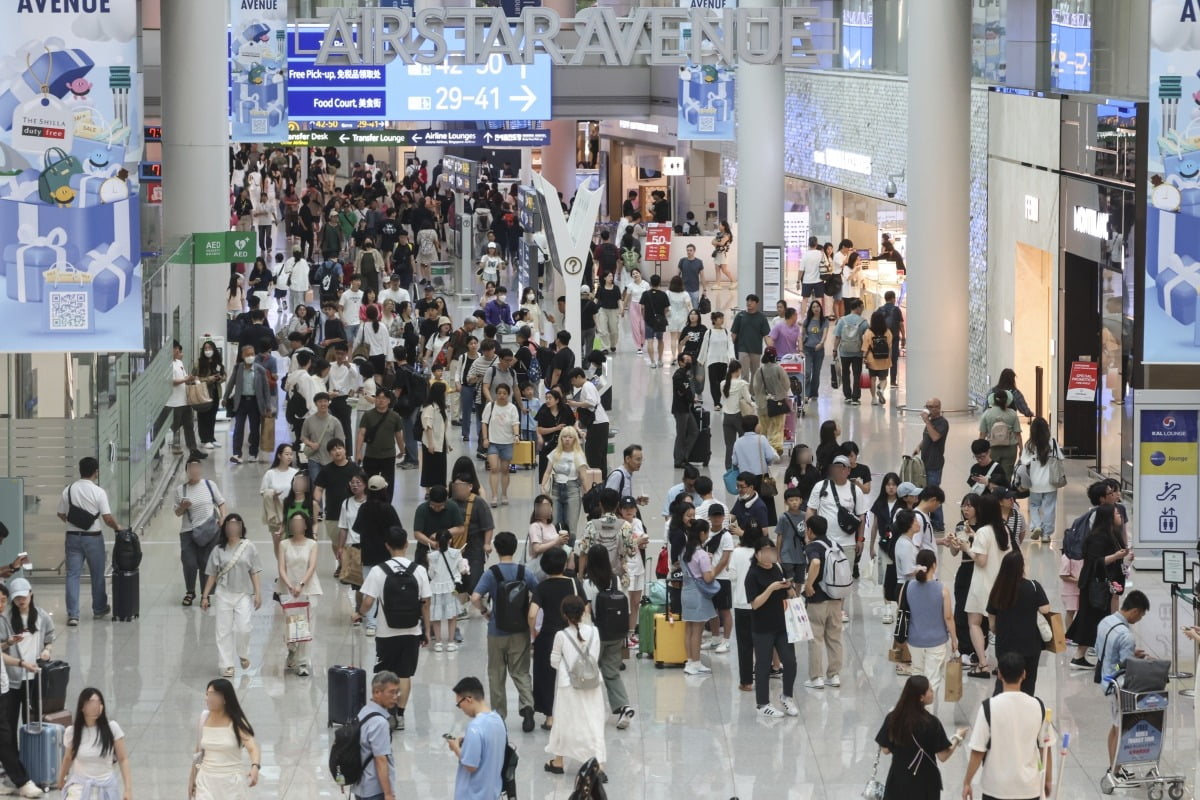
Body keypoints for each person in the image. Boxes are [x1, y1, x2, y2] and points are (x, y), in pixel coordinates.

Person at [354, 526, 433, 733]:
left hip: (386, 632)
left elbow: (368, 601)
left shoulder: (378, 571)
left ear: (387, 546)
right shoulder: (419, 570)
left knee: (385, 673)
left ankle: (384, 713)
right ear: (407, 545)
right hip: (412, 631)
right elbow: (426, 602)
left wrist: (360, 614)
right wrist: (427, 630)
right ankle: (400, 715)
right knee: (405, 675)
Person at [470, 531, 539, 731]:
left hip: (496, 631)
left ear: (497, 549)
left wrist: (485, 611)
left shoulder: (492, 573)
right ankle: (527, 708)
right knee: (521, 671)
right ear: (515, 548)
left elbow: (475, 597)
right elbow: (538, 592)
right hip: (520, 630)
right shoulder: (524, 572)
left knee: (496, 673)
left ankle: (499, 715)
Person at [962, 652, 1052, 800]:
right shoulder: (1038, 706)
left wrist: (967, 782)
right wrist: (1048, 779)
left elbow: (978, 751)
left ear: (999, 674)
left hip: (996, 788)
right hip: (1029, 788)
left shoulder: (989, 707)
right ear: (1024, 674)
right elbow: (1045, 748)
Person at [875, 676, 966, 800]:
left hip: (898, 780)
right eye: (930, 690)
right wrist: (958, 737)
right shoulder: (932, 723)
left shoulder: (893, 718)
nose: (933, 692)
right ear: (921, 697)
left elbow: (885, 749)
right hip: (925, 783)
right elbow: (943, 756)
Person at [544, 595, 606, 776]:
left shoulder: (561, 636)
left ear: (564, 614)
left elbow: (554, 661)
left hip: (568, 685)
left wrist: (568, 668)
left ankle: (559, 761)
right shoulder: (595, 632)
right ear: (584, 611)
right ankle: (599, 764)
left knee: (564, 722)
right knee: (594, 721)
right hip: (592, 683)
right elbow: (594, 657)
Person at [1065, 504, 1130, 670]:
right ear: (1108, 516)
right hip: (1095, 585)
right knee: (1091, 619)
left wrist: (1125, 558)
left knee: (1092, 619)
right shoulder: (1097, 537)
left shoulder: (1112, 534)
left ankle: (1082, 656)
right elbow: (1094, 562)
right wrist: (1116, 556)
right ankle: (1084, 657)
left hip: (1103, 585)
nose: (1120, 516)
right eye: (1116, 513)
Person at [57, 456, 120, 626]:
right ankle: (99, 608)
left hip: (72, 537)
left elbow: (61, 514)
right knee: (97, 574)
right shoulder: (98, 492)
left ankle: (73, 615)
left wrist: (74, 523)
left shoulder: (68, 490)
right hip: (93, 538)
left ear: (80, 470)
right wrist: (117, 528)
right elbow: (106, 517)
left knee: (72, 575)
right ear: (96, 472)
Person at [527, 547, 586, 730]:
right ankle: (571, 714)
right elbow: (586, 608)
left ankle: (550, 716)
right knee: (571, 674)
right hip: (571, 634)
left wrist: (534, 633)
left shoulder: (541, 587)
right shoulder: (574, 583)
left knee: (546, 676)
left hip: (548, 637)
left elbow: (532, 614)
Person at [200, 515, 264, 678]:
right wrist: (205, 596)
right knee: (223, 630)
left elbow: (254, 571)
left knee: (244, 627)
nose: (233, 528)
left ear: (241, 527)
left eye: (236, 525)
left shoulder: (249, 547)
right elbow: (212, 574)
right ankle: (227, 664)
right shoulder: (218, 550)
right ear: (225, 528)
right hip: (223, 593)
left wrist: (258, 593)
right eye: (229, 525)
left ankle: (243, 653)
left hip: (243, 593)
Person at [1096, 590, 1151, 775]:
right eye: (1141, 615)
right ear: (1135, 611)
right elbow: (1125, 666)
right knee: (1120, 730)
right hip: (1118, 687)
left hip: (1105, 680)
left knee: (1115, 726)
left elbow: (1099, 651)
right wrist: (1136, 660)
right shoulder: (1126, 635)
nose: (1140, 619)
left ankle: (1114, 767)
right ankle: (1116, 771)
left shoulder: (1105, 622)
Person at [579, 545, 635, 729]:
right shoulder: (615, 580)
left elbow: (586, 610)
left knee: (590, 673)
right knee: (612, 672)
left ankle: (591, 711)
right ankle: (623, 706)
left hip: (595, 634)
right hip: (615, 632)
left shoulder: (588, 583)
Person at [743, 539, 799, 717]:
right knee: (763, 665)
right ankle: (762, 703)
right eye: (765, 551)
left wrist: (789, 589)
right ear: (757, 553)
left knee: (790, 662)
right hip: (762, 627)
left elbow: (789, 594)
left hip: (782, 624)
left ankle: (787, 696)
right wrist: (771, 588)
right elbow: (755, 604)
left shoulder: (777, 569)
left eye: (771, 550)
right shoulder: (752, 575)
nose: (769, 554)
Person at [805, 455, 866, 605]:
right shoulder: (821, 486)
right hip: (823, 542)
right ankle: (823, 603)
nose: (838, 470)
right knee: (822, 573)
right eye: (835, 466)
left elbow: (861, 517)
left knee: (843, 576)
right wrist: (808, 535)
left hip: (847, 543)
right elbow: (811, 510)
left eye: (842, 467)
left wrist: (860, 539)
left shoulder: (855, 491)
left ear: (848, 470)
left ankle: (840, 606)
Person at [188, 679, 261, 800]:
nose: (208, 698)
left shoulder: (237, 723)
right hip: (205, 781)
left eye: (212, 695)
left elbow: (253, 747)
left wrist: (255, 766)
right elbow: (198, 753)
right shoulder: (203, 719)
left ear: (225, 699)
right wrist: (193, 780)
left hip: (231, 783)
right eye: (207, 694)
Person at [55, 687, 133, 800]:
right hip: (80, 786)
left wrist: (128, 790)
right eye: (92, 702)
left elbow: (123, 759)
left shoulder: (112, 728)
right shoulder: (72, 732)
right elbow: (68, 758)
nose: (96, 706)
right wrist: (61, 780)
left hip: (106, 786)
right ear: (82, 707)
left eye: (99, 703)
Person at [964, 493, 1010, 678]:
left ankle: (983, 664)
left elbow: (981, 561)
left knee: (974, 622)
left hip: (982, 583)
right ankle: (1002, 664)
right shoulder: (1002, 530)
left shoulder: (983, 532)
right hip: (999, 583)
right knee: (999, 626)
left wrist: (967, 548)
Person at [175, 456, 228, 608]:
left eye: (197, 467)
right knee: (189, 562)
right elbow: (177, 513)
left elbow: (221, 502)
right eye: (191, 468)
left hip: (210, 529)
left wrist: (223, 517)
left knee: (207, 562)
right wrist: (183, 506)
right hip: (188, 531)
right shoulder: (181, 490)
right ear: (187, 470)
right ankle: (190, 591)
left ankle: (206, 594)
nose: (195, 471)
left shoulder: (209, 485)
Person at [800, 516, 844, 689]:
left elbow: (816, 562)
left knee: (816, 637)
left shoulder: (813, 546)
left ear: (810, 530)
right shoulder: (835, 545)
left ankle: (816, 678)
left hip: (818, 598)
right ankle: (834, 675)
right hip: (836, 597)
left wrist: (809, 584)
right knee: (834, 638)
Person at [447, 676, 508, 800]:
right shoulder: (498, 720)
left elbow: (470, 765)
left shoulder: (474, 728)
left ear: (468, 699)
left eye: (459, 704)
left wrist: (456, 748)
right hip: (492, 793)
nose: (461, 709)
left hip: (473, 794)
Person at [903, 550, 956, 691]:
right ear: (934, 565)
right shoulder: (942, 589)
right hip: (937, 641)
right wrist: (954, 639)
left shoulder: (908, 587)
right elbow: (948, 617)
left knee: (917, 674)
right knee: (932, 679)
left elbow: (903, 611)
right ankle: (927, 710)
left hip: (914, 639)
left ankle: (915, 708)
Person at [276, 511, 321, 676]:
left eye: (299, 522)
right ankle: (292, 650)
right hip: (288, 589)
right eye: (293, 522)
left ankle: (303, 663)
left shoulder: (312, 544)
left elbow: (312, 566)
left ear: (305, 525)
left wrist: (301, 584)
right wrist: (290, 585)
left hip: (309, 589)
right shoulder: (284, 544)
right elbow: (281, 567)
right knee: (292, 625)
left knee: (308, 626)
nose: (296, 526)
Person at [351, 672, 400, 800]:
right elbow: (381, 760)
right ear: (377, 692)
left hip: (360, 785)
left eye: (397, 692)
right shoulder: (380, 723)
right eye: (391, 692)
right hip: (374, 789)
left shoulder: (364, 711)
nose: (395, 697)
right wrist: (388, 794)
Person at [222, 344, 273, 465]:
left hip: (255, 403)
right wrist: (225, 397)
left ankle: (253, 453)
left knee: (254, 429)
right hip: (241, 402)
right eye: (247, 354)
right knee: (238, 428)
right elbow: (231, 383)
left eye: (252, 354)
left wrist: (268, 406)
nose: (250, 356)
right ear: (242, 356)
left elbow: (266, 390)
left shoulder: (260, 370)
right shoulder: (238, 368)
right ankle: (237, 454)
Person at [679, 520, 718, 675]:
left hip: (686, 591)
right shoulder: (701, 554)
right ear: (702, 534)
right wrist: (714, 567)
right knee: (697, 630)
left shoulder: (684, 551)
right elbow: (708, 578)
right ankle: (696, 663)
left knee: (689, 628)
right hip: (699, 594)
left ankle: (690, 661)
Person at [355, 389, 407, 503]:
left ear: (389, 401)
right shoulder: (368, 415)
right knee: (369, 482)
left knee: (388, 484)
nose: (381, 400)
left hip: (388, 455)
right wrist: (358, 452)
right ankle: (370, 504)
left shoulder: (395, 416)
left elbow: (398, 435)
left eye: (384, 398)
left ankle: (386, 505)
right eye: (378, 398)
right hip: (371, 455)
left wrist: (402, 450)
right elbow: (361, 434)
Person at [1019, 417, 1063, 543]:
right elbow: (1060, 458)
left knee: (1034, 505)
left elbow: (1024, 461)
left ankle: (1037, 525)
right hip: (1050, 482)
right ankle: (1046, 534)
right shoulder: (1052, 442)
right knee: (1049, 508)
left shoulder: (1029, 445)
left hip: (1034, 483)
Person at [482, 383, 521, 506]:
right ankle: (494, 496)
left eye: (504, 393)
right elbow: (484, 422)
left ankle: (504, 494)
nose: (501, 396)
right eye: (499, 393)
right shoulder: (490, 406)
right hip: (493, 442)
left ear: (508, 395)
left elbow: (515, 423)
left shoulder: (512, 408)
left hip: (507, 442)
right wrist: (485, 438)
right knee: (494, 468)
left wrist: (516, 435)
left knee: (505, 470)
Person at [566, 368, 609, 473]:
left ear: (579, 377)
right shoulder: (588, 386)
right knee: (600, 454)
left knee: (593, 454)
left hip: (597, 424)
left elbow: (591, 402)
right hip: (600, 423)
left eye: (573, 380)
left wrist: (575, 404)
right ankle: (601, 479)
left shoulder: (586, 386)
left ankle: (596, 481)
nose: (573, 384)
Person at [167, 340, 205, 459]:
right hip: (173, 402)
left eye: (177, 348)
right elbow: (170, 382)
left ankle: (193, 449)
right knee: (174, 427)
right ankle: (170, 447)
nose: (177, 350)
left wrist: (190, 379)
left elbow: (184, 378)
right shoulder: (166, 365)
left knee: (189, 426)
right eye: (175, 348)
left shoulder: (179, 362)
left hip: (184, 400)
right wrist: (184, 380)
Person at [915, 398, 949, 531]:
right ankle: (929, 520)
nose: (928, 409)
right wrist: (919, 447)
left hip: (934, 464)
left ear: (938, 407)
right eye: (927, 406)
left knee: (933, 495)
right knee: (927, 493)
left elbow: (935, 437)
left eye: (931, 407)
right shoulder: (931, 422)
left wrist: (927, 421)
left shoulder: (942, 423)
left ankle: (938, 523)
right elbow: (927, 437)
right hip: (925, 463)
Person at [260, 444, 299, 555]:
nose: (289, 457)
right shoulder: (270, 473)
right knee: (278, 544)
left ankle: (289, 569)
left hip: (291, 511)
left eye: (291, 454)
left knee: (291, 543)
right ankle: (281, 568)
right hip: (275, 514)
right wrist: (272, 494)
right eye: (286, 454)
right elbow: (263, 491)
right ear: (279, 455)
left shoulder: (295, 473)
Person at [751, 347, 790, 455]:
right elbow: (786, 385)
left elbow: (755, 388)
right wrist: (778, 394)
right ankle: (775, 447)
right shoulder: (779, 369)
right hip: (777, 404)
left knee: (763, 428)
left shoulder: (759, 371)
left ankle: (763, 448)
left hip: (763, 405)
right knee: (777, 427)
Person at [979, 389, 1023, 483]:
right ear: (1007, 400)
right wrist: (1021, 450)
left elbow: (982, 434)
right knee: (1007, 475)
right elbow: (1017, 433)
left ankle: (994, 495)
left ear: (993, 400)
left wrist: (980, 451)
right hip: (1010, 448)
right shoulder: (1012, 413)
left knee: (992, 474)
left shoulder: (987, 413)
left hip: (993, 448)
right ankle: (1006, 495)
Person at [719, 362, 755, 471]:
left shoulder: (723, 383)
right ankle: (743, 466)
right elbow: (748, 399)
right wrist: (755, 406)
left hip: (726, 417)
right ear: (738, 370)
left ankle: (729, 469)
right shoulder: (742, 384)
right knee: (744, 442)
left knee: (729, 446)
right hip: (739, 417)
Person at [832, 298, 868, 404]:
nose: (862, 309)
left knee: (845, 373)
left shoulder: (842, 320)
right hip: (857, 352)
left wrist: (834, 350)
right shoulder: (863, 322)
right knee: (857, 374)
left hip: (844, 351)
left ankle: (847, 396)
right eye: (862, 307)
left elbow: (837, 337)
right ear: (857, 308)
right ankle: (855, 398)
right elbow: (868, 337)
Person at [730, 294, 771, 380]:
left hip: (756, 350)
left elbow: (766, 335)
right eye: (747, 301)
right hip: (742, 349)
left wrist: (770, 347)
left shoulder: (762, 317)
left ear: (757, 303)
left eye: (751, 301)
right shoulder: (740, 316)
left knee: (755, 374)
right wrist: (734, 346)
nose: (749, 303)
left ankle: (753, 393)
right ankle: (745, 393)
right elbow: (733, 333)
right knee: (744, 373)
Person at [420, 381, 451, 492]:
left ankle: (439, 488)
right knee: (429, 466)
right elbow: (428, 426)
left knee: (440, 465)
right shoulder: (429, 407)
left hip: (440, 440)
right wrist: (431, 443)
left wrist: (447, 443)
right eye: (444, 392)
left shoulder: (441, 407)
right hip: (430, 442)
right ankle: (428, 490)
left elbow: (443, 427)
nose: (446, 394)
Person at [195, 339, 226, 449]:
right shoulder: (199, 362)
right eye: (205, 348)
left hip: (215, 392)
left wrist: (220, 378)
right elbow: (196, 378)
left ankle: (211, 437)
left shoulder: (217, 362)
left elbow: (224, 375)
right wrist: (209, 379)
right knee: (203, 416)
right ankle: (204, 439)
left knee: (212, 416)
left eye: (210, 348)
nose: (207, 350)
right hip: (204, 392)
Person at [862, 309, 893, 406]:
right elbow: (889, 346)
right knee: (883, 378)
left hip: (872, 359)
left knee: (873, 379)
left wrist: (864, 357)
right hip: (884, 359)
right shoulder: (887, 332)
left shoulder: (869, 332)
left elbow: (865, 347)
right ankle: (881, 390)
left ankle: (873, 399)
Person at [800, 300, 828, 403]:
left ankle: (814, 393)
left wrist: (821, 343)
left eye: (817, 306)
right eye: (813, 307)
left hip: (819, 351)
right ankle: (806, 394)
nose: (816, 309)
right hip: (808, 349)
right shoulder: (807, 321)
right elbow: (802, 335)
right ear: (811, 309)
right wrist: (801, 348)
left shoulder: (824, 321)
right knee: (807, 372)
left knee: (816, 374)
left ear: (820, 308)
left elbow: (825, 334)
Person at [677, 243, 705, 308]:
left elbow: (702, 276)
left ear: (694, 251)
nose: (688, 252)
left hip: (695, 289)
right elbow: (677, 275)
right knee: (684, 308)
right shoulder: (682, 261)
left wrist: (704, 290)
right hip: (684, 289)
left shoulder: (699, 262)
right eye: (687, 250)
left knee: (695, 308)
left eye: (690, 250)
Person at [711, 220, 735, 284]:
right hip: (717, 253)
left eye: (720, 225)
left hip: (723, 254)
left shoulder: (727, 235)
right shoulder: (719, 234)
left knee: (724, 269)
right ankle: (718, 284)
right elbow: (712, 242)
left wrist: (716, 243)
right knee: (717, 268)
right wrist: (718, 243)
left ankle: (733, 281)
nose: (719, 226)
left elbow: (722, 243)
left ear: (724, 226)